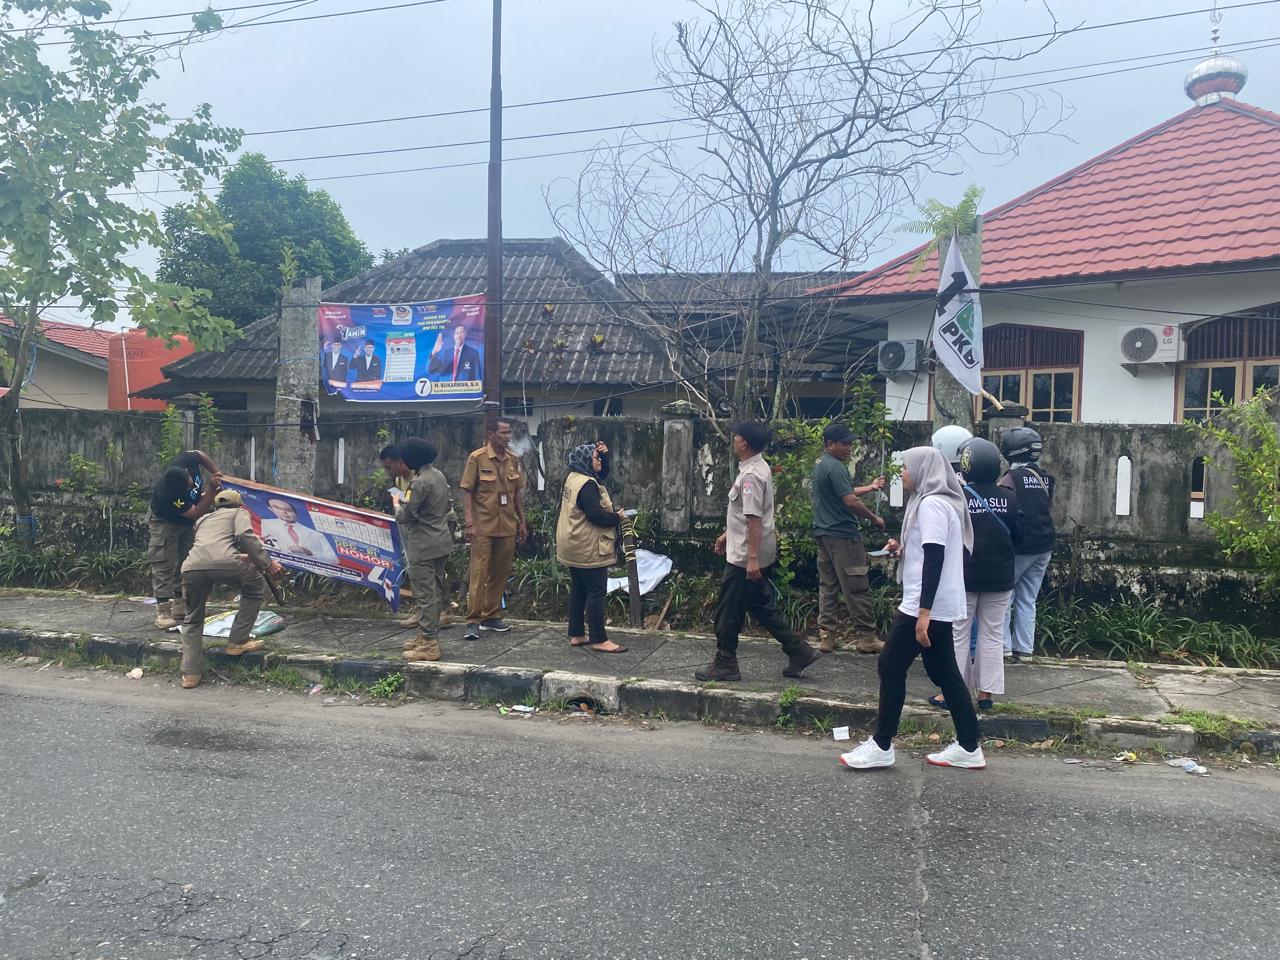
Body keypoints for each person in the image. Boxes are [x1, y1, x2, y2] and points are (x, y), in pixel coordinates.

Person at [839, 446, 985, 771]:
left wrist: (923, 613)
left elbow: (934, 558)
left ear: (922, 470)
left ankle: (881, 743)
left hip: (924, 604)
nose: (902, 473)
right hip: (936, 603)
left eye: (906, 468)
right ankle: (969, 745)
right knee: (944, 672)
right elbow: (928, 552)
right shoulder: (938, 501)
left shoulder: (931, 504)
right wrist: (902, 549)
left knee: (890, 665)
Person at [695, 422, 821, 682]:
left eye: (737, 436)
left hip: (745, 558)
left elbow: (754, 519)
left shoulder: (751, 475)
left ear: (745, 444)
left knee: (728, 612)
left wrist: (751, 559)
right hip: (749, 551)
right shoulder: (756, 468)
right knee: (761, 606)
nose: (734, 440)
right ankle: (799, 651)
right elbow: (747, 514)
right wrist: (727, 534)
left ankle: (726, 662)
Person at [927, 438, 1021, 712]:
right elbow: (1020, 537)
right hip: (1001, 577)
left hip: (964, 577)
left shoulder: (958, 499)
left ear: (966, 466)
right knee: (992, 636)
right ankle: (986, 695)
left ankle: (951, 693)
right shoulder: (1011, 498)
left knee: (958, 635)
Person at [177, 489, 285, 690]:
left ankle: (190, 674)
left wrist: (241, 557)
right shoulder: (239, 513)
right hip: (225, 565)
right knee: (254, 587)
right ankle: (237, 641)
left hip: (192, 567)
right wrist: (268, 564)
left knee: (192, 617)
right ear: (240, 504)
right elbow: (244, 535)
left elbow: (212, 549)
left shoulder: (203, 519)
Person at [811, 422, 887, 654]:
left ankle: (827, 637)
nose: (849, 448)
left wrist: (870, 487)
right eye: (844, 443)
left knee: (828, 586)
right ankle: (867, 637)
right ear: (830, 444)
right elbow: (849, 501)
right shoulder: (836, 467)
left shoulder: (821, 464)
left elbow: (845, 491)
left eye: (850, 443)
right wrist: (874, 518)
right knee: (856, 586)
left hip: (823, 534)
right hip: (843, 536)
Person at [459, 417, 527, 639]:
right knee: (479, 573)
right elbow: (467, 492)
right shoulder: (476, 459)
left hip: (507, 525)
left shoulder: (513, 461)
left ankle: (491, 616)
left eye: (509, 433)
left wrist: (522, 522)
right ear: (491, 435)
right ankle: (473, 620)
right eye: (503, 433)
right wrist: (469, 522)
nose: (508, 436)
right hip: (483, 527)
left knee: (500, 573)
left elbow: (516, 494)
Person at [556, 441, 627, 654]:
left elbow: (601, 473)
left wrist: (604, 456)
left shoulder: (573, 477)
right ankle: (599, 639)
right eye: (595, 457)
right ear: (587, 461)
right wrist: (617, 517)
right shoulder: (587, 485)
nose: (598, 460)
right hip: (588, 546)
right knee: (596, 591)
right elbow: (596, 515)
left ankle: (577, 633)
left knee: (579, 588)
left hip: (572, 544)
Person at [395, 438, 456, 662]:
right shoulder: (438, 476)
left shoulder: (419, 483)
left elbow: (407, 514)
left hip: (423, 543)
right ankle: (424, 637)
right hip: (440, 540)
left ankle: (430, 643)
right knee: (436, 591)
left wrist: (396, 507)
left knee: (425, 595)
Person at [999, 425, 1056, 664]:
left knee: (1004, 598)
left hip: (1019, 547)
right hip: (1044, 545)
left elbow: (1004, 511)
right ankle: (1025, 650)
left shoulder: (1009, 479)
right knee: (1027, 598)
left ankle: (1003, 648)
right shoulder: (1045, 477)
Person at [147, 449, 220, 629]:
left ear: (188, 472)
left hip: (185, 524)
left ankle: (181, 603)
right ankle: (163, 610)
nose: (191, 487)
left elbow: (200, 454)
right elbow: (195, 512)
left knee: (187, 560)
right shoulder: (169, 495)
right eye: (187, 488)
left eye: (190, 482)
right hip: (166, 523)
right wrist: (211, 490)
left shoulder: (186, 461)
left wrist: (216, 473)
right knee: (164, 562)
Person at [259, 498, 340, 565]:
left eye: (288, 510)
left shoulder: (316, 534)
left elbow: (334, 560)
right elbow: (263, 547)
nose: (284, 512)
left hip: (308, 572)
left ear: (295, 512)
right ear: (271, 509)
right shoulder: (266, 523)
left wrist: (310, 553)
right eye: (278, 508)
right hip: (278, 566)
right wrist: (288, 549)